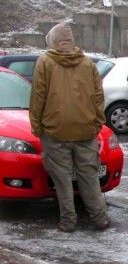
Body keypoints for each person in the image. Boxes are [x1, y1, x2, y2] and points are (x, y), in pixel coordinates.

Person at [29, 21, 109, 232]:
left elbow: (38, 96)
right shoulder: (87, 63)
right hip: (85, 130)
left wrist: (36, 125)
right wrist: (97, 122)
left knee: (62, 180)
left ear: (53, 40)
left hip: (55, 131)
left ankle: (68, 222)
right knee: (89, 177)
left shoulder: (45, 62)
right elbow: (99, 95)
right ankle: (100, 219)